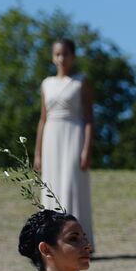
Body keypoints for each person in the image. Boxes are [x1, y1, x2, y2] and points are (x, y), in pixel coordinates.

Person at [34, 39, 94, 256]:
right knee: (52, 186)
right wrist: (38, 152)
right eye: (58, 54)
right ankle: (53, 239)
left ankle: (78, 239)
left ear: (73, 56)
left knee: (71, 187)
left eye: (66, 54)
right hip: (52, 137)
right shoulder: (46, 84)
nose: (62, 59)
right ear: (53, 57)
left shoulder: (80, 83)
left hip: (73, 136)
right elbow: (43, 118)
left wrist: (87, 148)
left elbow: (89, 117)